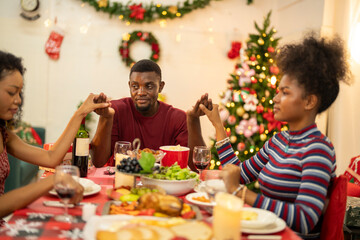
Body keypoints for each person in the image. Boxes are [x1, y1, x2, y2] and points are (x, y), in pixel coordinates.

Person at [198, 34, 351, 239]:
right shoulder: (279, 141)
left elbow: (304, 220)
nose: (275, 98)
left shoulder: (318, 149)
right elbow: (239, 174)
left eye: (285, 93)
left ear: (309, 101)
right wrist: (218, 125)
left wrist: (241, 192)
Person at [0, 50, 110, 221]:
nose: (19, 100)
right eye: (11, 92)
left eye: (20, 93)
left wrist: (81, 112)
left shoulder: (4, 134)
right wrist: (52, 181)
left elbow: (51, 157)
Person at [91, 59, 209, 170]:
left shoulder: (177, 118)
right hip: (121, 182)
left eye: (149, 86)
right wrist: (105, 118)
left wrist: (193, 120)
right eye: (135, 86)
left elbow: (195, 167)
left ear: (161, 87)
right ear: (129, 86)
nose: (141, 92)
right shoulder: (115, 111)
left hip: (162, 186)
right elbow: (98, 162)